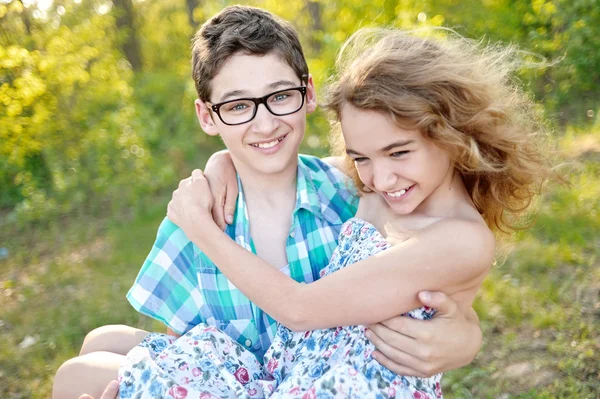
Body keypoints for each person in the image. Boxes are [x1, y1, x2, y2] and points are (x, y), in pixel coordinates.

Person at [53, 6, 483, 398]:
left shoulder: (352, 193)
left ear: (307, 93)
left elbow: (442, 286)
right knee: (99, 344)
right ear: (208, 116)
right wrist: (223, 162)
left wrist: (468, 337)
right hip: (263, 374)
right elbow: (187, 349)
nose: (264, 123)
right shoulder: (212, 207)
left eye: (279, 97)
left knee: (82, 374)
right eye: (238, 106)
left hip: (318, 378)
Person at [118, 27, 552, 397]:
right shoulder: (381, 191)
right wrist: (223, 162)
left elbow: (300, 309)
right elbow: (276, 163)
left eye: (397, 152)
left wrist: (199, 226)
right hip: (301, 372)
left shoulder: (458, 236)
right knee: (99, 348)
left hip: (346, 386)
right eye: (361, 158)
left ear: (451, 133)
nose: (379, 178)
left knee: (92, 369)